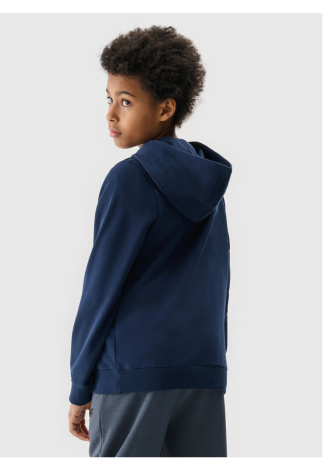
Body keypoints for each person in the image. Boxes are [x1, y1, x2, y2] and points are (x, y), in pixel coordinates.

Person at [68, 25, 232, 457]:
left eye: (125, 102)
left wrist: (80, 383)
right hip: (201, 372)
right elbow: (218, 281)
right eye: (108, 99)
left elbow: (101, 288)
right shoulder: (208, 182)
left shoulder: (130, 179)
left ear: (165, 108)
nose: (111, 115)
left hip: (132, 373)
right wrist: (212, 364)